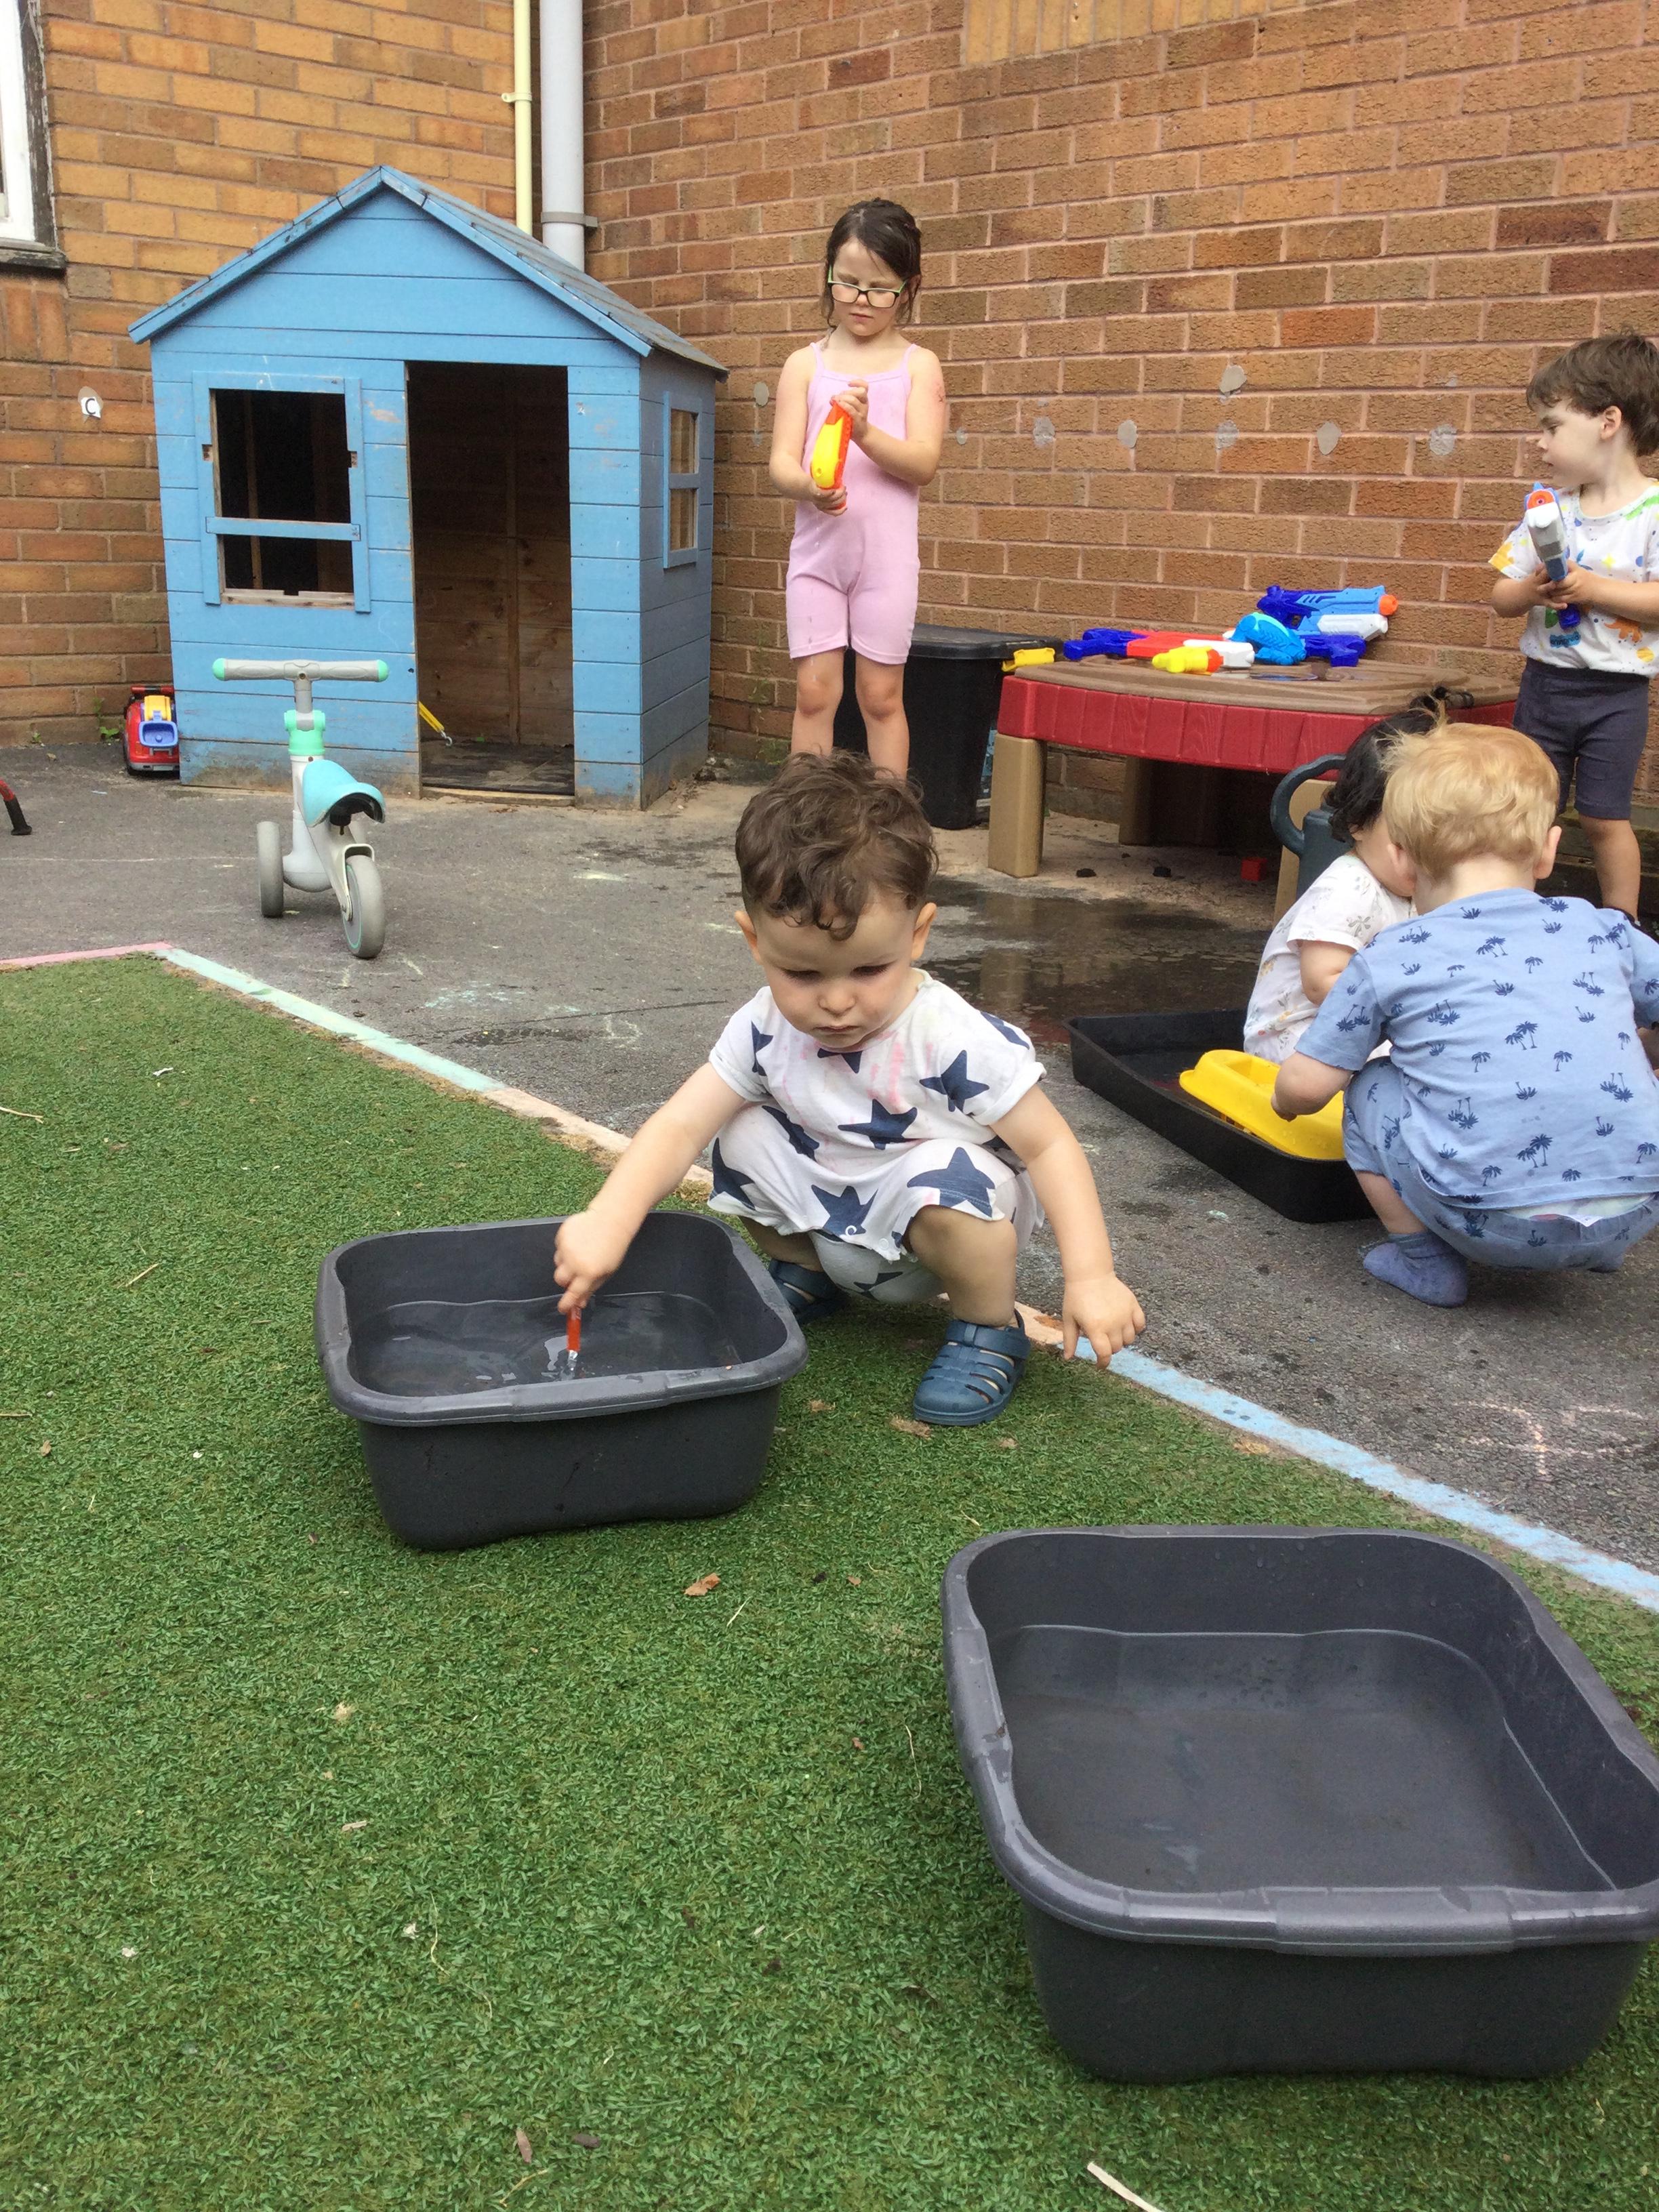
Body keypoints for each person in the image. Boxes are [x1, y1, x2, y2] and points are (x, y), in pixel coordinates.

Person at [554, 754, 1145, 1425]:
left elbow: (1050, 1147)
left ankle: (988, 1328)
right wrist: (609, 1218)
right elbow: (680, 1125)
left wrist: (1092, 1275)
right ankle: (809, 1274)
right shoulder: (764, 1026)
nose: (837, 1002)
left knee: (947, 1178)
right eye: (804, 974)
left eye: (868, 969)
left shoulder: (948, 1035)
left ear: (918, 934)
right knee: (740, 1131)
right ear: (755, 940)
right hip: (831, 1212)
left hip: (939, 1233)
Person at [1271, 723, 1659, 1308]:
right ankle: (1598, 1243)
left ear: (1401, 855)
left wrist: (1283, 1102)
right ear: (1549, 849)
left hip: (1487, 1222)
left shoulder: (1391, 955)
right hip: (1638, 1209)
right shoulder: (1604, 928)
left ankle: (1425, 1262)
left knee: (1369, 1081)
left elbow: (1307, 1086)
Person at [769, 201, 947, 779]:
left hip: (886, 565)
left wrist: (864, 432)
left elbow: (923, 464)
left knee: (881, 697)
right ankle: (803, 819)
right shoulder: (805, 365)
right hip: (817, 559)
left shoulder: (919, 366)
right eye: (847, 283)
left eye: (880, 289)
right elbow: (781, 463)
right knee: (814, 694)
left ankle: (891, 818)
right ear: (828, 275)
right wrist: (811, 488)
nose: (861, 300)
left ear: (909, 288)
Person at [1490, 329, 1659, 924]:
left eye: (1553, 426)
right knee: (1530, 810)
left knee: (1605, 817)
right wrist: (1530, 590)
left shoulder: (1653, 514)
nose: (1540, 442)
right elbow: (1501, 596)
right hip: (1546, 686)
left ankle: (1622, 926)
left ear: (1608, 422)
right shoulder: (1549, 510)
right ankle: (1514, 918)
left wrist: (1591, 589)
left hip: (1617, 695)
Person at [1242, 707, 1429, 1064]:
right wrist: (1407, 1009)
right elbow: (1321, 982)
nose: (1424, 859)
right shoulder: (1348, 889)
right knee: (1409, 1062)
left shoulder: (1414, 889)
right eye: (1406, 842)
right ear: (1358, 823)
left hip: (1362, 1026)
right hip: (1296, 1036)